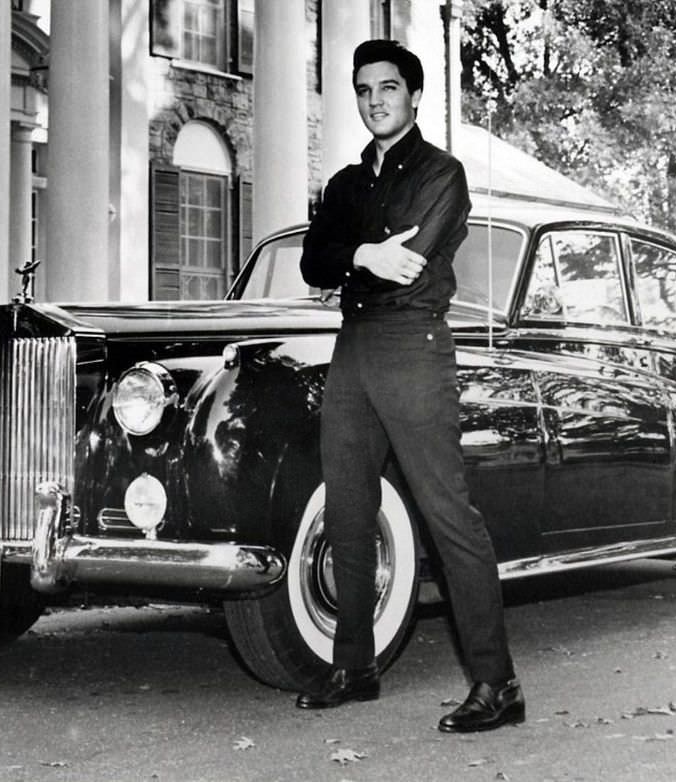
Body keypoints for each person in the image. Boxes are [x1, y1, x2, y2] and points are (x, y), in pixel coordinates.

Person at [296, 39, 523, 734]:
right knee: (348, 511)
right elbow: (313, 263)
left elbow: (410, 265)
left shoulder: (442, 174)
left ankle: (497, 682)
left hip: (414, 346)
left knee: (447, 514)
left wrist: (353, 256)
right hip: (353, 349)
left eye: (388, 88)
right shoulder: (343, 183)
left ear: (414, 96)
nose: (374, 100)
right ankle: (355, 667)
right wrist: (364, 250)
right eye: (363, 90)